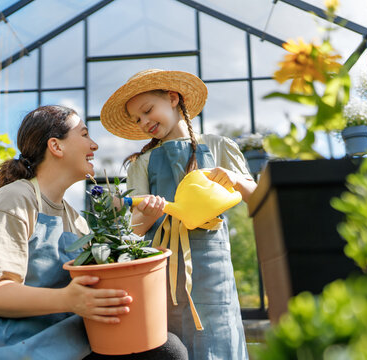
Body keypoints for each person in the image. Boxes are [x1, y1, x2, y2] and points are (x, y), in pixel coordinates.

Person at [0, 105, 188, 360]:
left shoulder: (73, 219)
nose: (94, 145)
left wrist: (141, 221)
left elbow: (103, 272)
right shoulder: (15, 201)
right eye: (83, 135)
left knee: (165, 348)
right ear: (56, 147)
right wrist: (68, 300)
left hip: (50, 337)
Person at [100, 69, 258, 360]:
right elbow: (132, 232)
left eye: (148, 110)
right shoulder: (142, 162)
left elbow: (255, 197)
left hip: (215, 269)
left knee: (221, 340)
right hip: (162, 269)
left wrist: (234, 178)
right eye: (138, 119)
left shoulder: (219, 146)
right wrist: (147, 215)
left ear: (173, 98)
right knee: (174, 344)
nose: (145, 122)